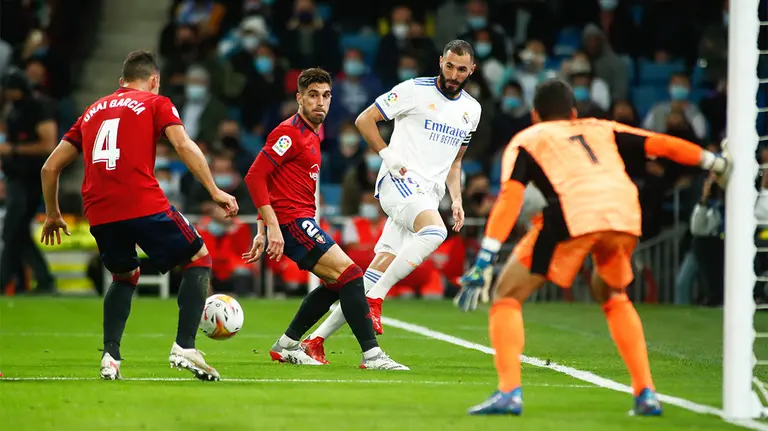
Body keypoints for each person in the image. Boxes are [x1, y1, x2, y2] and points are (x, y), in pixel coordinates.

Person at [454, 79, 731, 416]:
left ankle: (509, 391)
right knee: (613, 295)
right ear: (573, 113)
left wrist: (485, 257)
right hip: (624, 213)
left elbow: (511, 198)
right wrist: (714, 162)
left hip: (574, 214)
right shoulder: (601, 127)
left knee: (507, 294)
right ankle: (646, 393)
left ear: (535, 115)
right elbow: (661, 144)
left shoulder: (528, 138)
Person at [38, 50, 239, 381]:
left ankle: (110, 356)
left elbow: (50, 167)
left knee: (124, 276)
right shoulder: (156, 103)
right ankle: (185, 346)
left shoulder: (91, 111)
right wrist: (214, 190)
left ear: (122, 82)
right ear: (155, 80)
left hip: (99, 210)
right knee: (199, 258)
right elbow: (183, 145)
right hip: (141, 201)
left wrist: (52, 213)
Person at [300, 40, 482, 363]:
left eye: (462, 69)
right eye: (449, 66)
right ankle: (377, 300)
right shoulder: (414, 90)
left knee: (374, 272)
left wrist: (456, 199)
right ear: (440, 62)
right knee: (435, 232)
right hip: (398, 182)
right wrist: (387, 155)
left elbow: (455, 162)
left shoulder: (472, 110)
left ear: (472, 70)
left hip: (427, 196)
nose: (454, 75)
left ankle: (314, 340)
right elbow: (364, 120)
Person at [242, 68, 407, 370]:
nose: (320, 102)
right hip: (293, 222)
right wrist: (272, 228)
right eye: (313, 95)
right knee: (352, 275)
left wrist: (261, 230)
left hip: (296, 221)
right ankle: (372, 355)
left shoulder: (312, 134)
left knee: (335, 282)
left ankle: (286, 345)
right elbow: (255, 177)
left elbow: (272, 183)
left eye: (326, 95)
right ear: (299, 98)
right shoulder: (289, 133)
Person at [0, 67, 57, 295]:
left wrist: (12, 149)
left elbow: (48, 144)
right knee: (17, 230)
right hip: (15, 176)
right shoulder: (14, 109)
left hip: (32, 177)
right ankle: (40, 280)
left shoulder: (39, 107)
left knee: (13, 229)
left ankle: (6, 280)